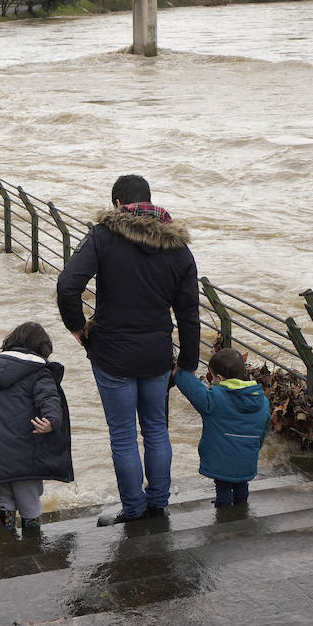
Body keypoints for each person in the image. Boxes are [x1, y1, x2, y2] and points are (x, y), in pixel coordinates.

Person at [56, 174, 200, 526]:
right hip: (157, 354)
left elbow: (67, 285)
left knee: (123, 435)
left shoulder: (103, 236)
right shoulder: (178, 248)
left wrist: (77, 326)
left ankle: (133, 510)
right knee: (156, 429)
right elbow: (189, 313)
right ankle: (158, 505)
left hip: (112, 352)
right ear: (150, 201)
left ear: (117, 205)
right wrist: (187, 362)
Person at [0, 321, 73, 536]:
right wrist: (51, 421)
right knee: (29, 499)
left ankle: (7, 535)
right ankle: (32, 542)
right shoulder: (40, 374)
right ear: (42, 348)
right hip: (25, 453)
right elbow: (49, 399)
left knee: (4, 497)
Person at [173, 347, 270, 508]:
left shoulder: (215, 399)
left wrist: (179, 372)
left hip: (221, 458)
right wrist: (254, 447)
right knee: (242, 484)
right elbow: (263, 428)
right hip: (247, 455)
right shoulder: (262, 401)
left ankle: (224, 516)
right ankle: (241, 509)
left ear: (219, 377)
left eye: (212, 376)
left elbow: (194, 390)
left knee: (223, 487)